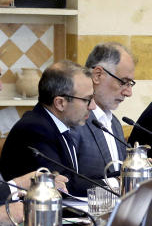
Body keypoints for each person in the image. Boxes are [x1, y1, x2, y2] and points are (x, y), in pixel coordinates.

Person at [0, 61, 95, 195]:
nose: (93, 106)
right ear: (60, 103)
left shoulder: (53, 124)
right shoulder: (34, 129)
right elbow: (63, 186)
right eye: (87, 99)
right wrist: (116, 183)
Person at [73, 42, 135, 181]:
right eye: (123, 82)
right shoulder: (75, 121)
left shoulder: (115, 123)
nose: (128, 92)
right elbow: (69, 181)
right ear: (97, 75)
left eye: (130, 84)